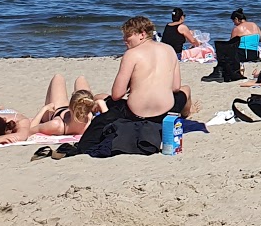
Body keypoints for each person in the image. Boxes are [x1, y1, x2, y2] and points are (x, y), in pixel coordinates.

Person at [52, 17, 186, 158]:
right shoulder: (169, 50)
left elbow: (117, 94)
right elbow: (176, 87)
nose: (124, 40)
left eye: (128, 35)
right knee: (184, 91)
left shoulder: (132, 54)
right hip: (165, 113)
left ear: (142, 34)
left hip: (135, 113)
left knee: (107, 104)